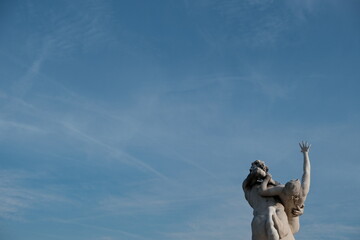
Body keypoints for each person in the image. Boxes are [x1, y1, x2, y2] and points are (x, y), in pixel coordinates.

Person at [258, 142, 311, 234]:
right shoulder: (302, 194)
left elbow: (262, 191)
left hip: (290, 225)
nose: (294, 178)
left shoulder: (282, 190)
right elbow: (306, 171)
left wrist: (267, 179)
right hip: (293, 224)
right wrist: (305, 154)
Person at [243, 160, 295, 240]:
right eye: (252, 168)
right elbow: (256, 172)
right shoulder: (248, 186)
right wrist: (266, 177)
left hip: (276, 213)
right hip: (262, 216)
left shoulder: (274, 184)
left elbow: (289, 193)